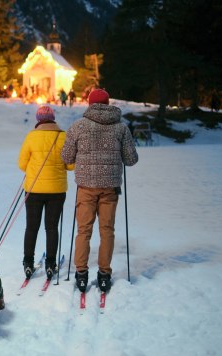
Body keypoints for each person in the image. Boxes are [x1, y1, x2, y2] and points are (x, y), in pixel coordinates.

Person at [61, 89, 138, 293]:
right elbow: (131, 159)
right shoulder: (121, 128)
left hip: (85, 187)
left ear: (89, 104)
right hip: (110, 188)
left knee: (83, 231)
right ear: (108, 103)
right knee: (107, 231)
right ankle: (104, 275)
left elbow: (67, 157)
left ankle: (81, 274)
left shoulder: (78, 126)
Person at [18, 106, 74, 280]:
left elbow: (21, 164)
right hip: (56, 191)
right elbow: (70, 165)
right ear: (53, 118)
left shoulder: (31, 136)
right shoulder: (63, 136)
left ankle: (28, 262)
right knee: (51, 227)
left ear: (38, 120)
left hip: (33, 189)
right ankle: (51, 264)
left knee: (31, 227)